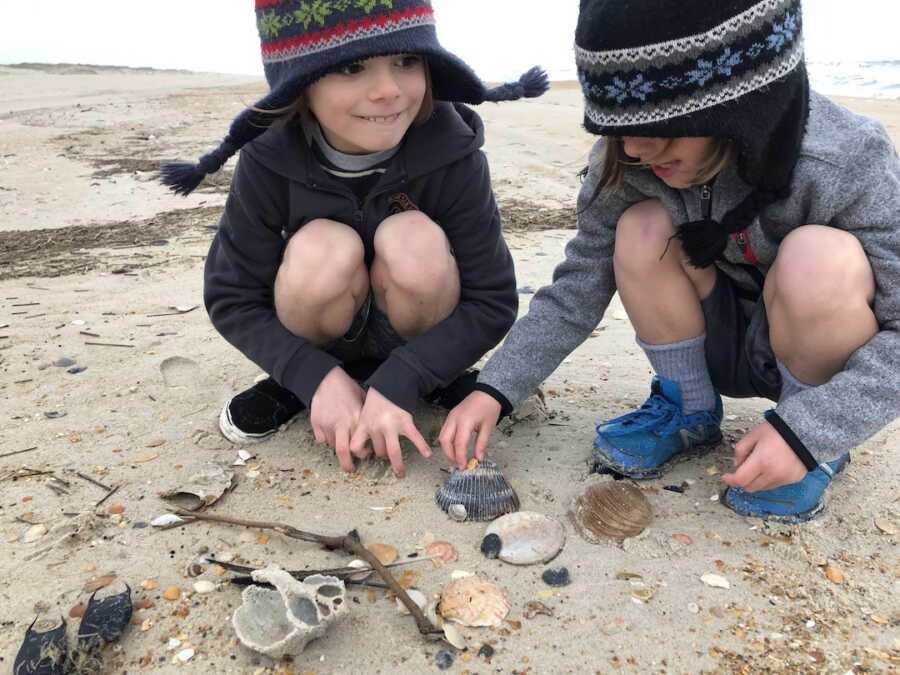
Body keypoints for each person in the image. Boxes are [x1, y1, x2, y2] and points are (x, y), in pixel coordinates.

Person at [439, 0, 900, 522]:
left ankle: (808, 441)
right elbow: (576, 289)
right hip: (714, 339)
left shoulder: (845, 158)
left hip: (817, 356)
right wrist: (496, 390)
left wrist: (812, 429)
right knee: (640, 228)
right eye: (618, 128)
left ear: (741, 105)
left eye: (662, 127)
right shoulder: (626, 160)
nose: (634, 149)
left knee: (819, 256)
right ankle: (689, 407)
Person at [161, 1, 548, 479]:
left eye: (406, 61)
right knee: (323, 246)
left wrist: (405, 375)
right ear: (302, 82)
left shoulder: (453, 151)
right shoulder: (267, 158)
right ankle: (304, 387)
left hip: (415, 329)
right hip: (316, 333)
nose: (387, 91)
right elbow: (232, 297)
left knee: (412, 239)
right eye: (351, 67)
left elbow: (491, 299)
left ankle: (427, 373)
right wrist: (312, 376)